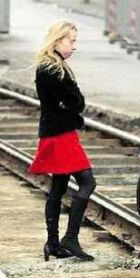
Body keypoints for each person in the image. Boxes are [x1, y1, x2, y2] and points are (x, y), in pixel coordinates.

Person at [28, 20, 96, 261]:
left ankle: (53, 243)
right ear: (57, 41)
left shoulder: (52, 66)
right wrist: (75, 107)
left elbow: (70, 103)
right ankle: (70, 238)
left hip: (57, 132)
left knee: (58, 187)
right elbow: (74, 102)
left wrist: (73, 106)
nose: (74, 46)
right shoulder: (53, 69)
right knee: (87, 182)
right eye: (71, 40)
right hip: (61, 135)